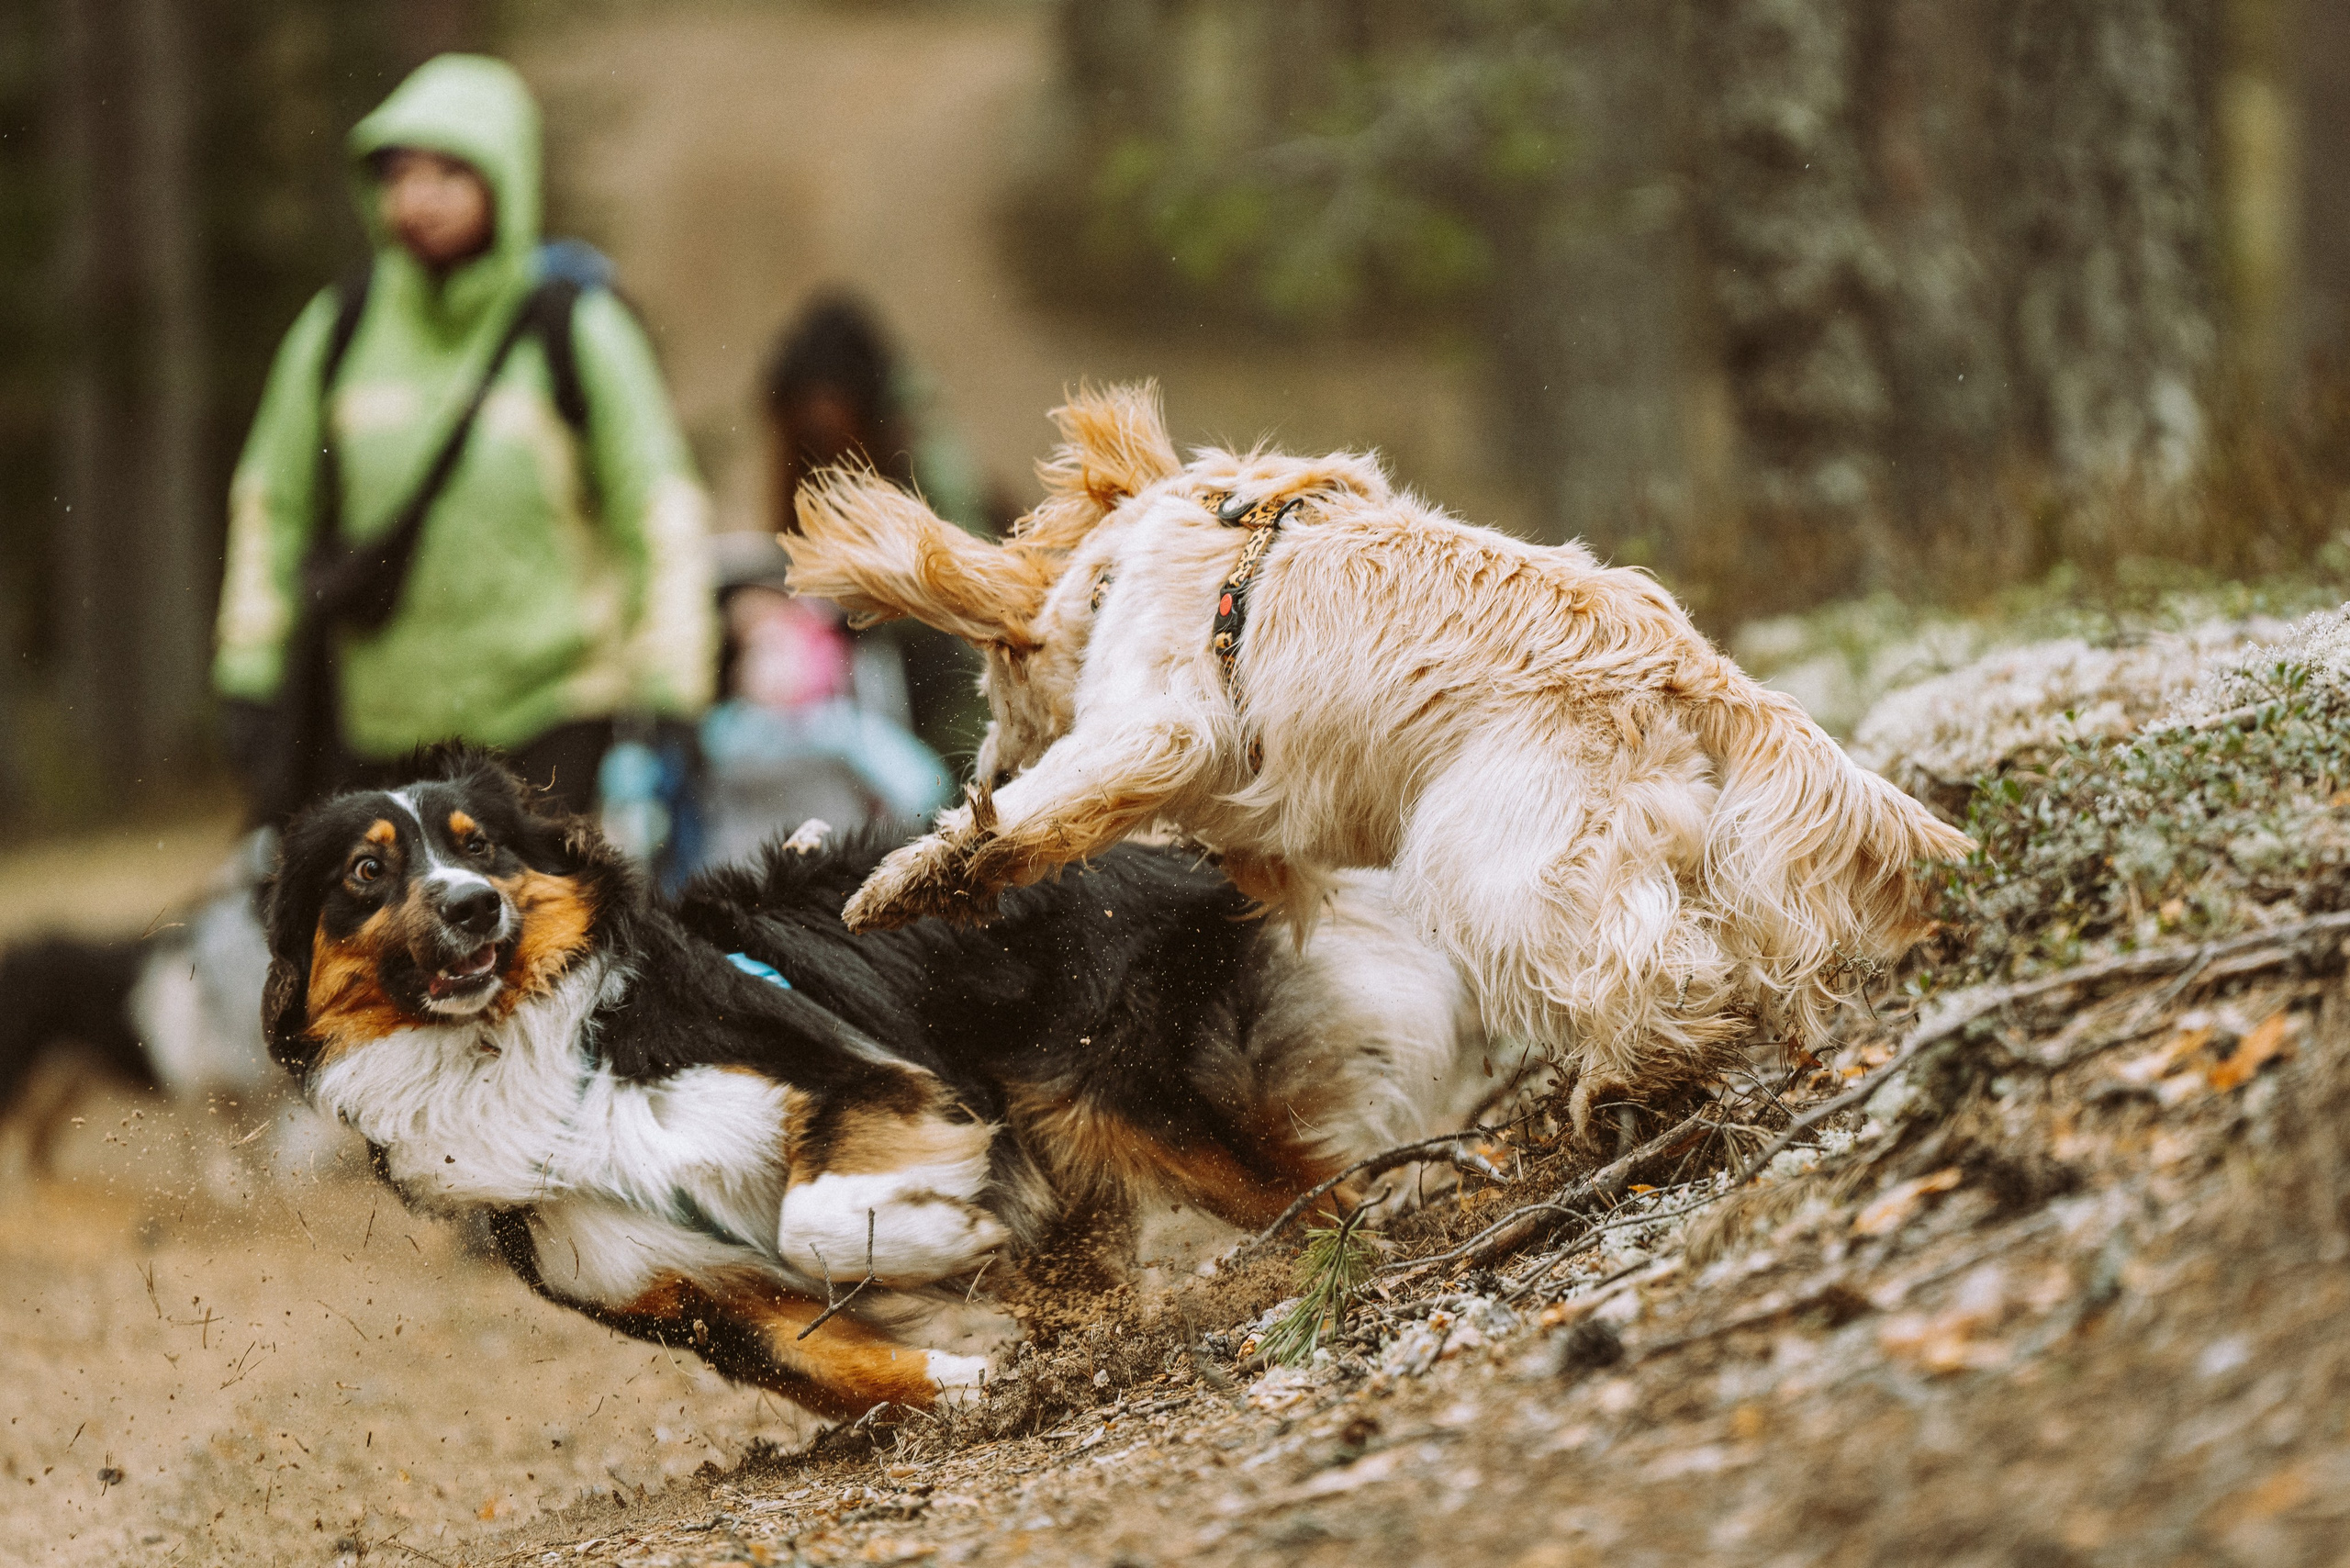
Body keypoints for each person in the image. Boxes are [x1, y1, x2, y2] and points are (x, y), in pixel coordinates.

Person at [213, 53, 714, 824]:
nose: (417, 199)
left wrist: (671, 686)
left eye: (449, 174)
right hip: (381, 733)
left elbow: (658, 509)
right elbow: (270, 506)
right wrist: (250, 669)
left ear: (504, 180)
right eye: (398, 175)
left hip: (552, 727)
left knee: (543, 944)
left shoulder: (575, 328)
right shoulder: (338, 329)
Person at [761, 295, 1005, 759]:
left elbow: (968, 606)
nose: (816, 454)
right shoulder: (816, 438)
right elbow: (786, 533)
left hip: (956, 681)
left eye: (818, 435)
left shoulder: (931, 471)